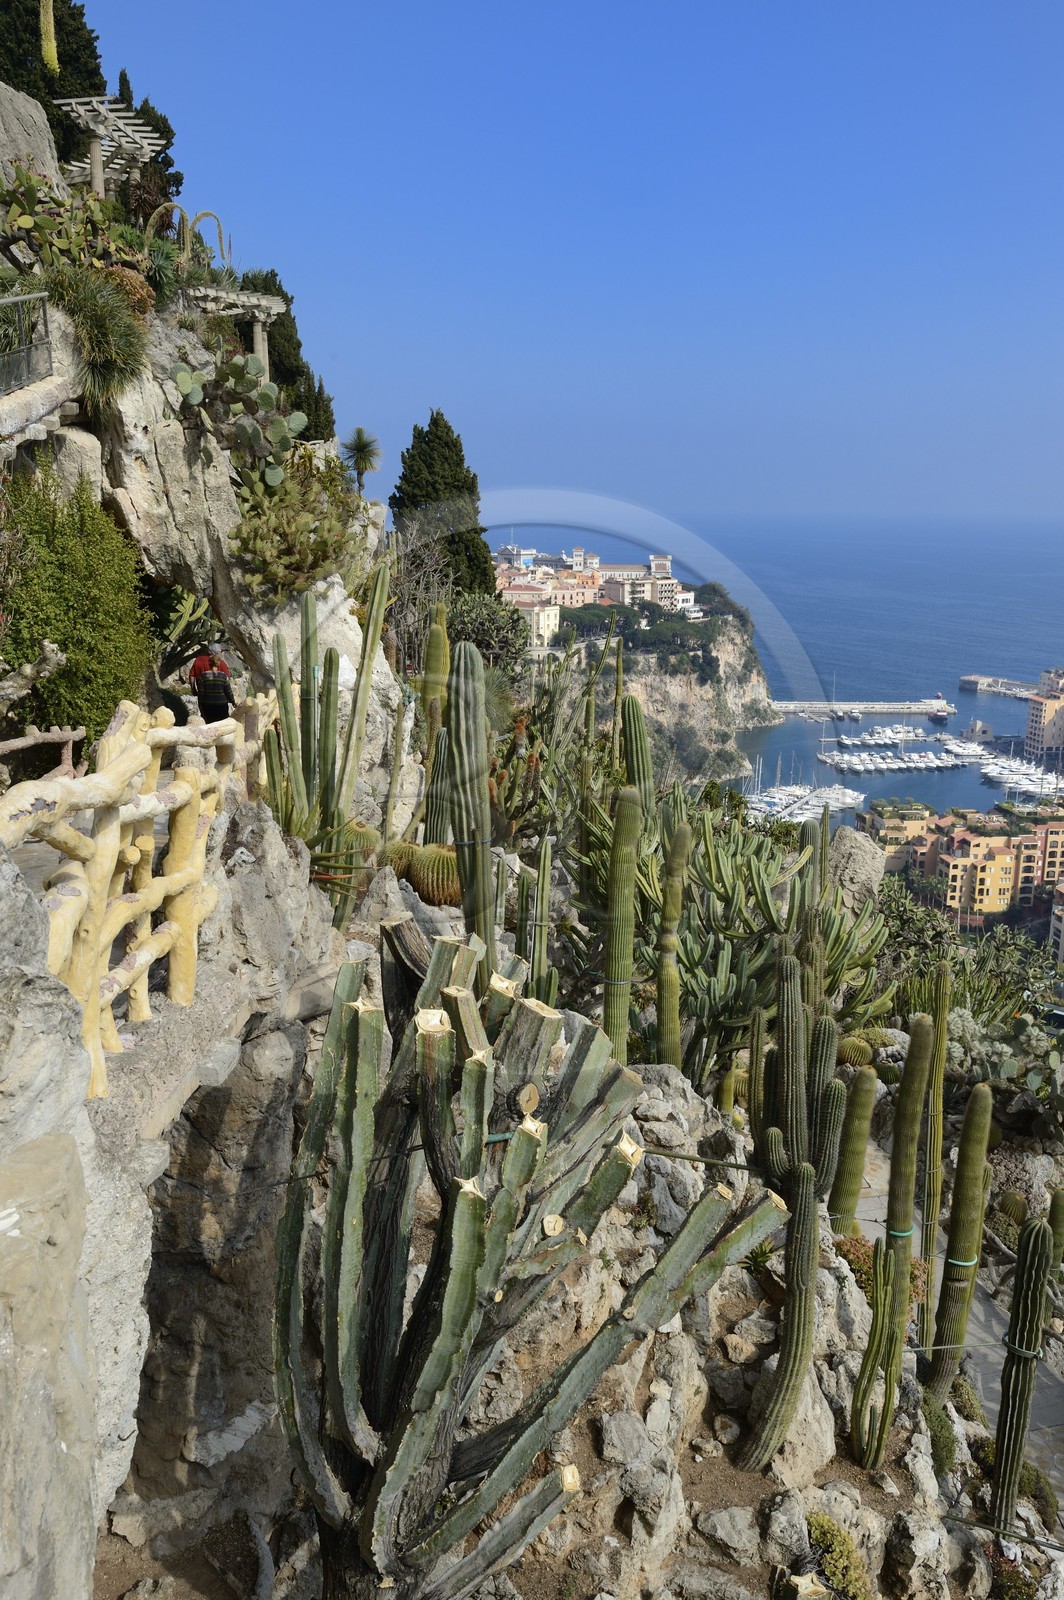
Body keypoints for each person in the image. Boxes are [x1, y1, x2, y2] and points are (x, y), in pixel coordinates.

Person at [195, 652, 236, 723]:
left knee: (210, 726)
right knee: (222, 726)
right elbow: (228, 691)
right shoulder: (223, 676)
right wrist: (233, 701)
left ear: (209, 663)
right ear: (218, 663)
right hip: (221, 705)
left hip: (208, 706)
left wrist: (200, 705)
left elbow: (201, 693)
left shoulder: (203, 676)